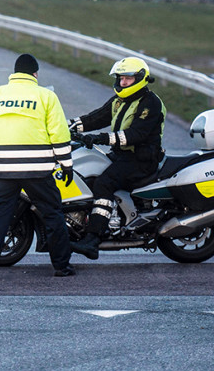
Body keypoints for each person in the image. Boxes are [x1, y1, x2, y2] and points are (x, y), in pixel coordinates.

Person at [0, 53, 75, 279]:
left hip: (2, 170)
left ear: (14, 73)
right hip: (38, 170)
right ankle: (62, 267)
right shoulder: (46, 96)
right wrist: (66, 164)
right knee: (52, 215)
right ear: (35, 74)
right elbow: (59, 133)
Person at [68, 56, 166, 259]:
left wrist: (100, 138)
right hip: (121, 156)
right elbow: (96, 118)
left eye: (128, 78)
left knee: (104, 183)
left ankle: (93, 239)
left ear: (140, 78)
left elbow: (136, 134)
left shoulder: (150, 103)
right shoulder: (120, 101)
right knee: (91, 173)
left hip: (141, 160)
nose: (123, 82)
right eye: (120, 78)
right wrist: (66, 125)